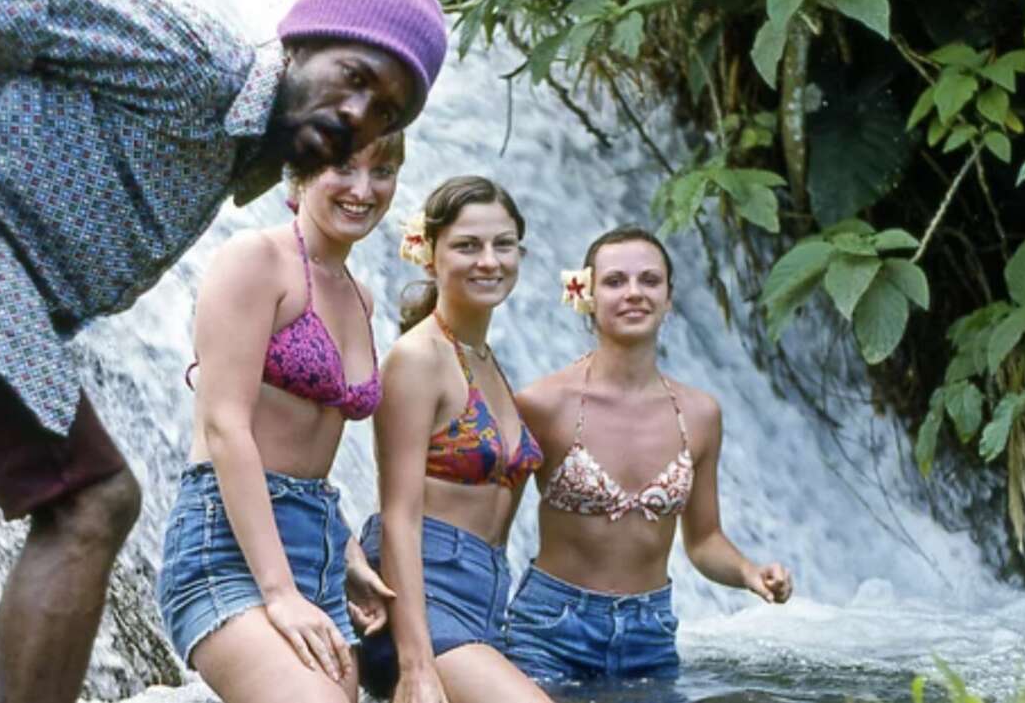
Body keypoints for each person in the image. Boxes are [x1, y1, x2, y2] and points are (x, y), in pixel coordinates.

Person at [0, 0, 446, 703]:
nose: (358, 114)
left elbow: (6, 86)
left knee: (89, 500)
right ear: (302, 42)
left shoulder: (231, 150)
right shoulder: (199, 61)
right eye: (354, 75)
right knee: (93, 502)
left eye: (387, 113)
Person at [157, 130, 406, 702]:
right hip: (228, 552)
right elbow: (225, 426)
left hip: (315, 556)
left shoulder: (361, 298)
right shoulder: (255, 260)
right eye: (343, 165)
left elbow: (310, 451)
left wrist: (344, 553)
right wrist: (278, 590)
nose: (363, 189)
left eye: (383, 170)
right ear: (300, 172)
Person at [505, 226, 794, 685]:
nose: (634, 293)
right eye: (616, 281)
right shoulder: (542, 406)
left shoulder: (700, 414)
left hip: (650, 634)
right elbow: (493, 531)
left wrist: (749, 571)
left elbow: (703, 540)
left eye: (650, 281)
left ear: (669, 298)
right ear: (587, 295)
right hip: (550, 631)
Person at [357, 176, 553, 703]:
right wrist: (415, 666)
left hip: (485, 602)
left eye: (502, 244)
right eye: (467, 245)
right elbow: (399, 514)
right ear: (428, 254)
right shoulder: (419, 358)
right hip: (422, 600)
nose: (488, 261)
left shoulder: (484, 360)